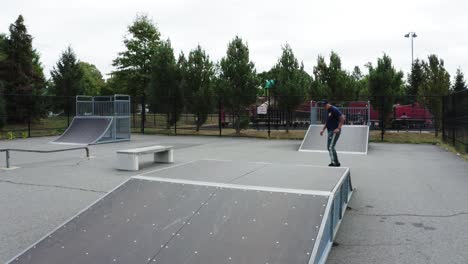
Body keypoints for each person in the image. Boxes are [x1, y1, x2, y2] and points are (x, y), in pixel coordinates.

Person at [319, 100, 345, 167]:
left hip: (334, 131)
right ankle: (334, 162)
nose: (324, 107)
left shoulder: (334, 109)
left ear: (328, 104)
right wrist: (323, 130)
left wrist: (338, 128)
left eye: (325, 105)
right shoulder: (328, 111)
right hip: (329, 131)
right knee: (329, 147)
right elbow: (327, 121)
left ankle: (335, 163)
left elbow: (342, 118)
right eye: (323, 106)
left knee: (331, 147)